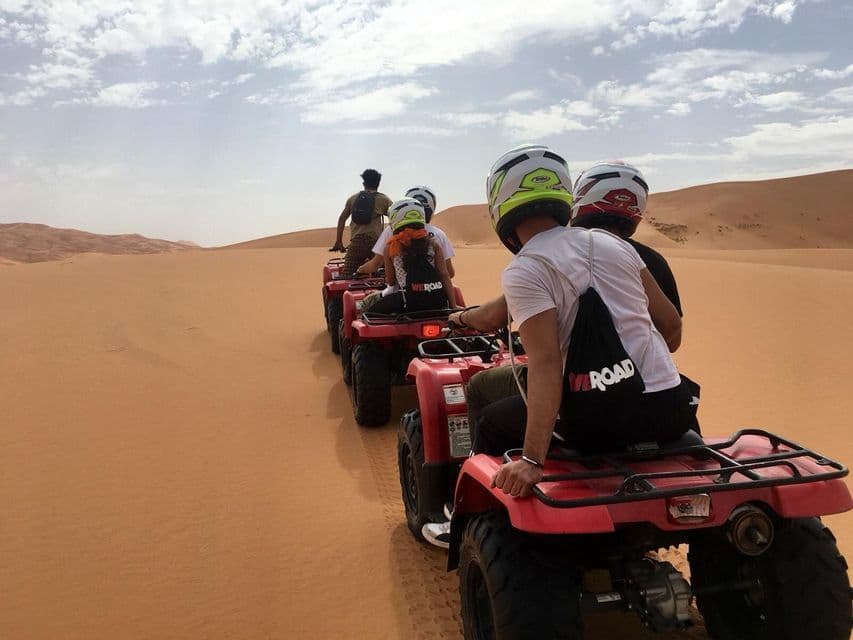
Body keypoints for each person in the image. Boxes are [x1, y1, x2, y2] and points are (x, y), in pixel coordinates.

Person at [422, 147, 697, 548]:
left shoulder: (526, 268)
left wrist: (532, 460)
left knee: (494, 421)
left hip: (595, 421)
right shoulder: (614, 245)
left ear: (500, 205)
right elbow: (670, 325)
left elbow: (546, 364)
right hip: (670, 408)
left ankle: (469, 524)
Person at [361, 197, 458, 314]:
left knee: (368, 312)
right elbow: (444, 275)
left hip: (408, 304)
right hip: (437, 302)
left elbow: (391, 281)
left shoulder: (391, 248)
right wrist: (453, 307)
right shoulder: (433, 244)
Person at [356, 185, 455, 279]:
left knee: (370, 297)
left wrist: (361, 269)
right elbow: (450, 273)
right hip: (434, 292)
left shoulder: (391, 231)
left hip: (401, 292)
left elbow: (375, 265)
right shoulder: (439, 235)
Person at [330, 169, 392, 276]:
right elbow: (396, 217)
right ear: (378, 183)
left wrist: (338, 242)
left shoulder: (353, 199)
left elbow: (342, 219)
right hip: (375, 244)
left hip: (356, 244)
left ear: (363, 183)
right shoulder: (383, 199)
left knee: (347, 276)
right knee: (385, 274)